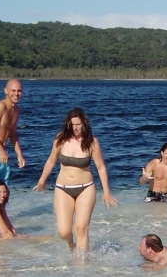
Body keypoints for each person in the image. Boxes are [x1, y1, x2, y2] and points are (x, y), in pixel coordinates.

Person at [33, 107, 118, 254]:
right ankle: (71, 244)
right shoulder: (60, 139)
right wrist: (42, 181)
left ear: (84, 124)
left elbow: (101, 168)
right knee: (64, 231)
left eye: (78, 124)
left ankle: (82, 266)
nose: (75, 128)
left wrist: (106, 192)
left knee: (81, 228)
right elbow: (51, 161)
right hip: (62, 188)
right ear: (68, 124)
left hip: (86, 188)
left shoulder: (91, 142)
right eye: (72, 124)